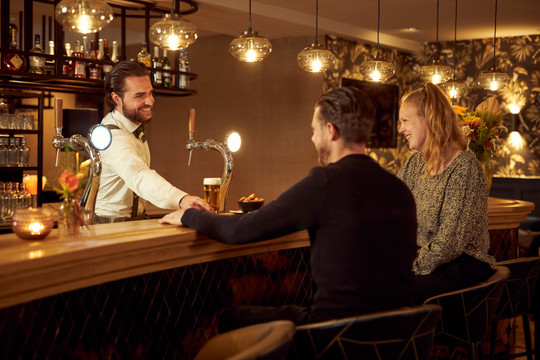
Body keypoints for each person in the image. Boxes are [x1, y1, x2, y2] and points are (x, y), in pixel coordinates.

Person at [160, 87, 418, 329]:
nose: (312, 137)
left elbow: (239, 231)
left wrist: (189, 215)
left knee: (230, 319)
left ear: (331, 130)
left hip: (331, 336)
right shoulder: (400, 189)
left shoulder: (326, 183)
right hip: (395, 335)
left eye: (314, 130)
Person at [397, 83, 496, 303]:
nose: (400, 129)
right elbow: (391, 206)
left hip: (461, 264)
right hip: (427, 261)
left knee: (397, 291)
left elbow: (450, 242)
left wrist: (407, 268)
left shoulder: (464, 167)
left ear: (428, 119)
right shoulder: (415, 163)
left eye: (405, 120)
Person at [94, 61, 213, 223]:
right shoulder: (111, 135)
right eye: (139, 95)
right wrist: (181, 199)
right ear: (117, 98)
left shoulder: (132, 128)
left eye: (150, 93)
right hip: (111, 224)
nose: (150, 101)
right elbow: (139, 176)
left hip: (135, 220)